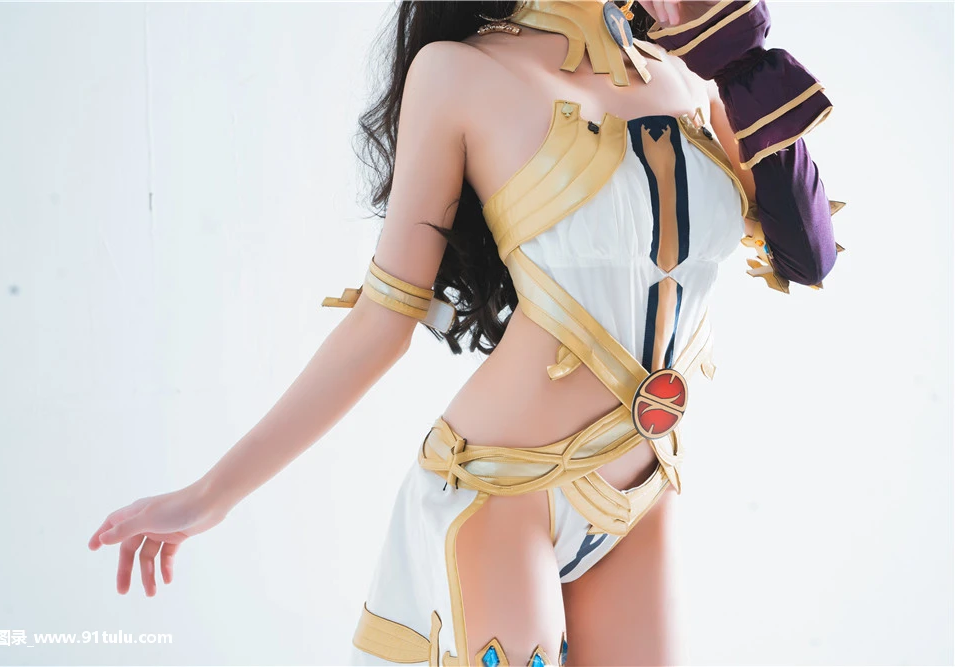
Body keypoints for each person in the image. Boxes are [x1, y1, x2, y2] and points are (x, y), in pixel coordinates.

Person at [88, 1, 846, 665]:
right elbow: (382, 320)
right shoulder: (459, 73)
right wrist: (212, 494)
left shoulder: (696, 78)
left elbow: (808, 255)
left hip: (642, 495)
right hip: (500, 490)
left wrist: (738, 55)